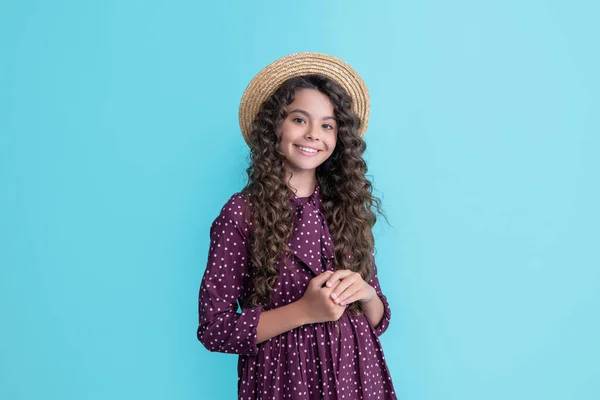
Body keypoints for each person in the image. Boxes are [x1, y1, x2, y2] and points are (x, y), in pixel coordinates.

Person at [197, 52, 397, 399]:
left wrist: (364, 292)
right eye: (299, 120)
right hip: (285, 380)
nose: (313, 135)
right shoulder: (241, 213)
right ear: (275, 124)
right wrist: (304, 311)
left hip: (358, 377)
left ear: (339, 138)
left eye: (327, 125)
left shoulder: (347, 208)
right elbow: (215, 329)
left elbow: (379, 319)